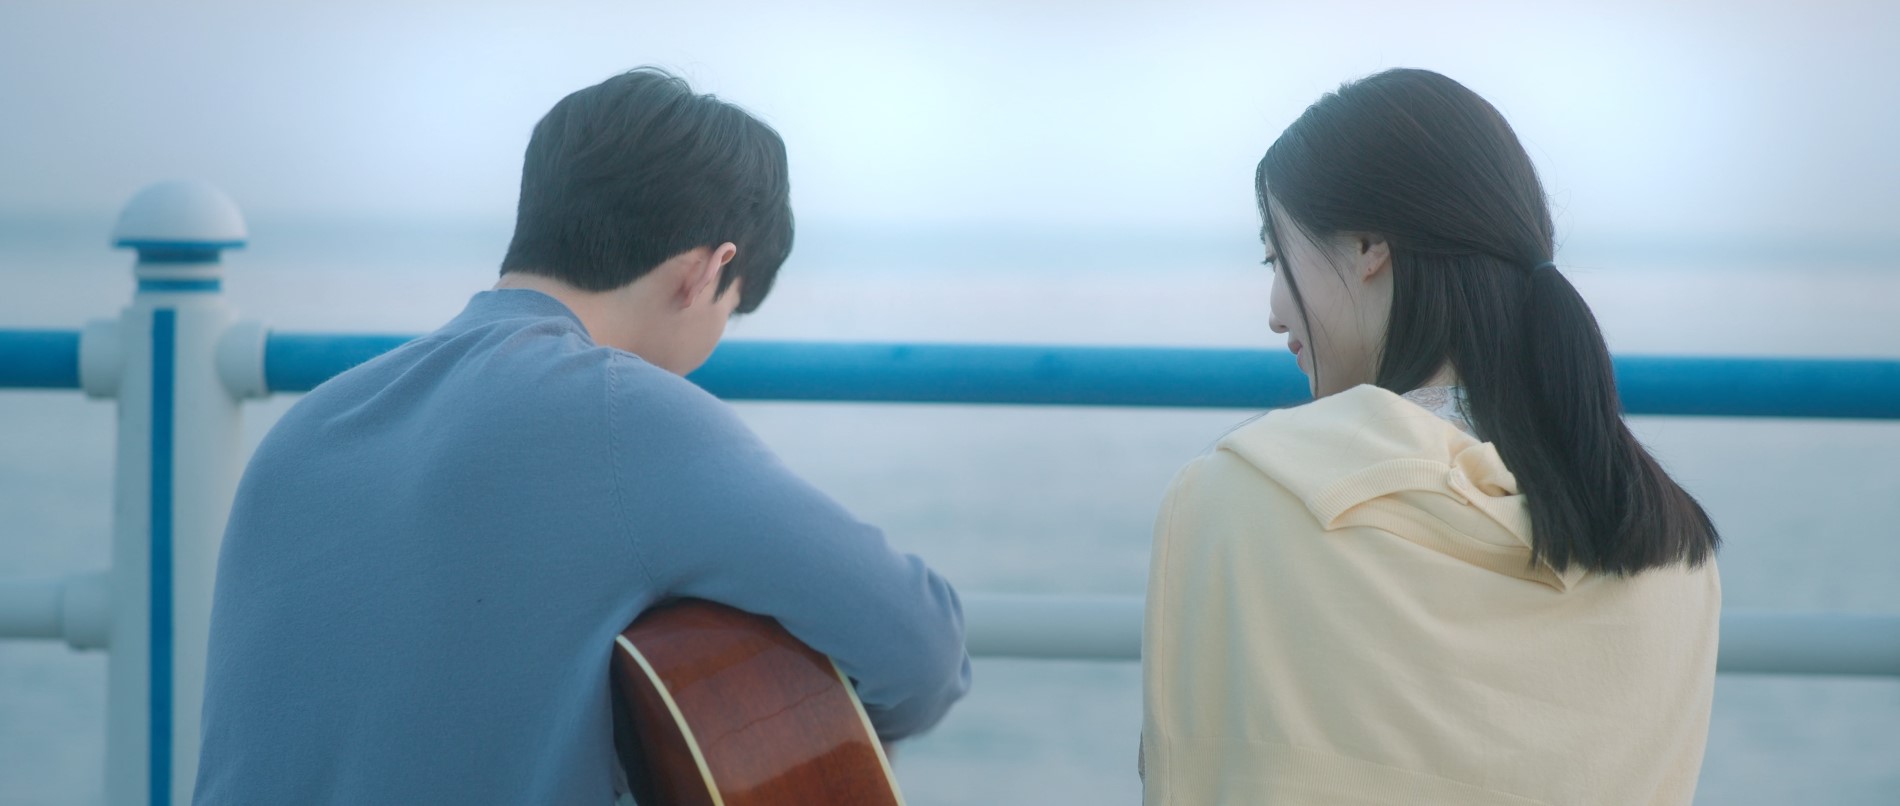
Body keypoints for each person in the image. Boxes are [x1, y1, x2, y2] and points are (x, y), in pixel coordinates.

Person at [195, 68, 971, 805]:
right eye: (731, 310)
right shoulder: (625, 414)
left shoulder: (308, 428)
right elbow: (923, 651)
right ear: (706, 271)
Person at [1140, 68, 1721, 805]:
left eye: (1276, 258)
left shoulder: (1242, 497)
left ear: (1368, 245)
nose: (1275, 311)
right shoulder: (1674, 549)